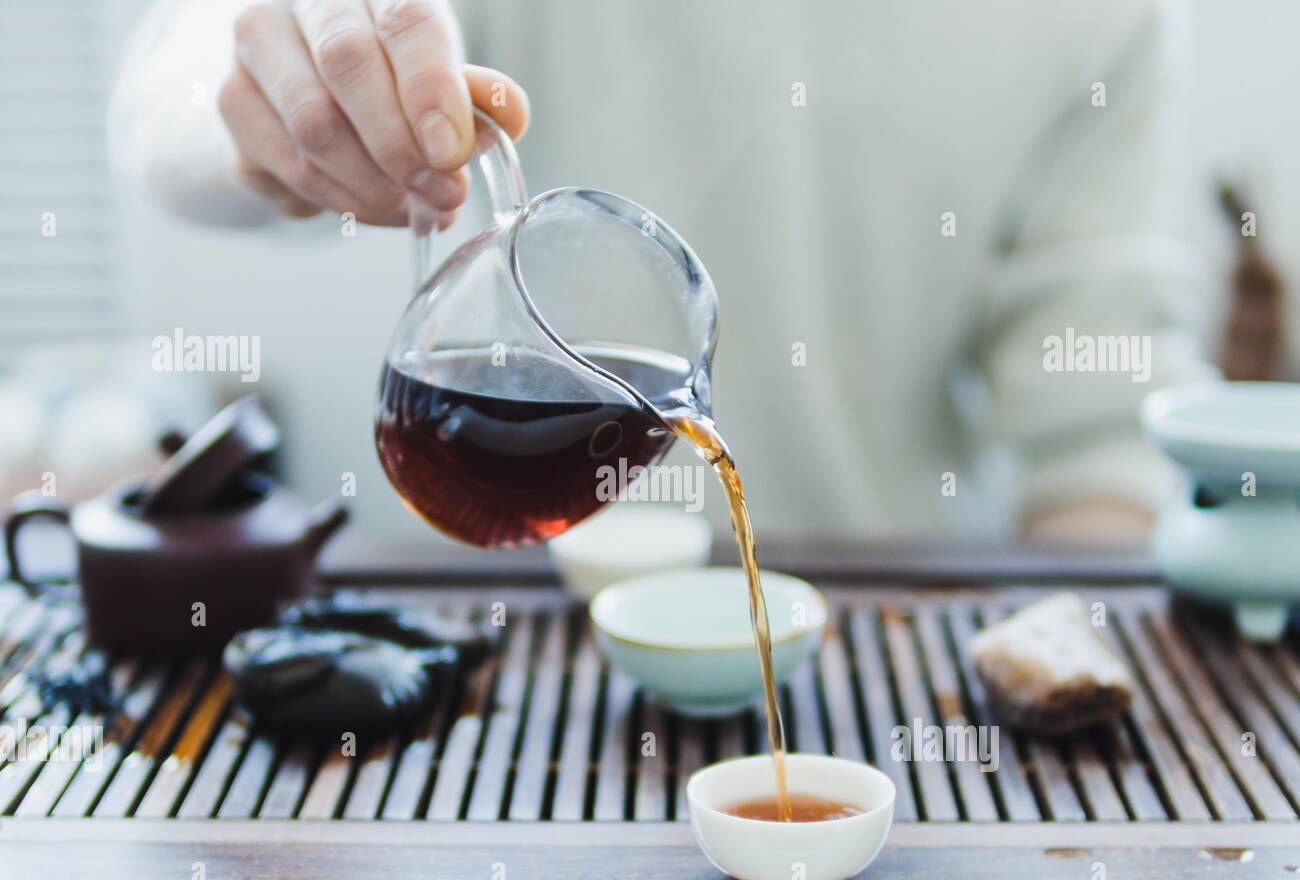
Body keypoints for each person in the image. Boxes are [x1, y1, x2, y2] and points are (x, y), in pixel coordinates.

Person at [109, 0, 1216, 543]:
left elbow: (1100, 442)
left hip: (874, 640)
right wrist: (275, 108)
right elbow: (173, 82)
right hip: (475, 643)